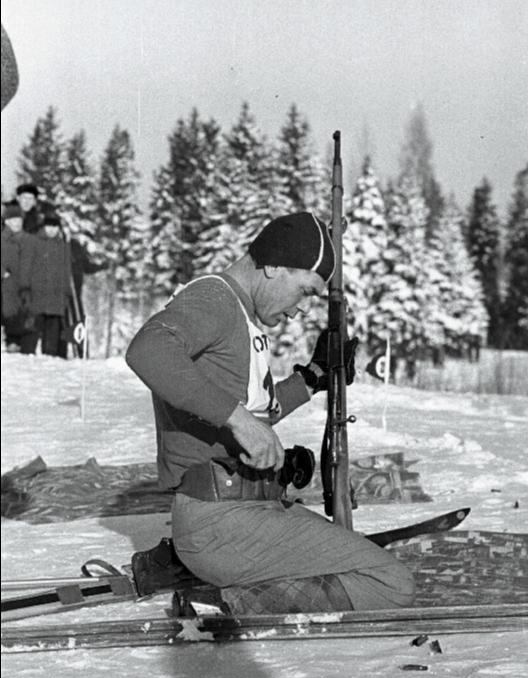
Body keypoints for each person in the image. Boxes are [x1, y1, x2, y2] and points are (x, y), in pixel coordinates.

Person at [126, 212, 415, 616]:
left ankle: (201, 573)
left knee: (351, 559)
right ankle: (219, 604)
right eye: (305, 291)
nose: (300, 310)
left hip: (239, 512)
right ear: (274, 264)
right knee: (391, 582)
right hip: (219, 522)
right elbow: (148, 350)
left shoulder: (238, 312)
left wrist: (312, 379)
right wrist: (240, 422)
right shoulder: (215, 300)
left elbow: (245, 411)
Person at [29, 214, 73, 357]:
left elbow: (66, 270)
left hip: (56, 294)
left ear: (58, 228)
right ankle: (31, 356)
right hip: (39, 292)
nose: (51, 230)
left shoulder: (63, 245)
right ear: (44, 227)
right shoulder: (35, 242)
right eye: (49, 226)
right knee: (35, 328)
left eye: (54, 226)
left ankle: (50, 356)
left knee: (53, 327)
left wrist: (66, 292)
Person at [1, 205, 38, 353]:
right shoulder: (2, 239)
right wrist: (3, 273)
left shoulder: (30, 239)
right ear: (7, 221)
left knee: (28, 315)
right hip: (7, 284)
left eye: (19, 220)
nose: (16, 223)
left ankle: (28, 348)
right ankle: (11, 342)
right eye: (13, 220)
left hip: (27, 284)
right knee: (10, 313)